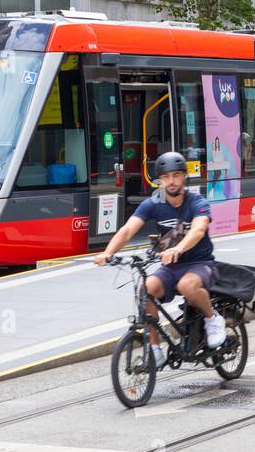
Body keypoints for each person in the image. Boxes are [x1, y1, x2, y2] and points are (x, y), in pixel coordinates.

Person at [93, 151, 225, 365]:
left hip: (200, 264)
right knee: (145, 291)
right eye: (166, 177)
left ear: (184, 176)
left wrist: (178, 249)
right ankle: (155, 348)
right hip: (170, 265)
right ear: (160, 180)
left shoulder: (196, 201)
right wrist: (108, 253)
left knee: (187, 286)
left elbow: (199, 229)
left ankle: (212, 318)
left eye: (175, 175)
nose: (171, 181)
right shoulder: (153, 203)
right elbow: (127, 230)